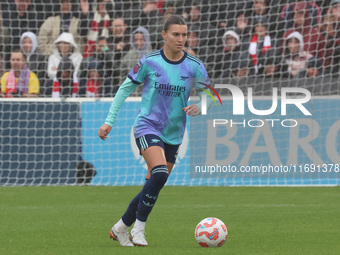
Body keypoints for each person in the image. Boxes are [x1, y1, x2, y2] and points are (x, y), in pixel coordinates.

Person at [97, 15, 212, 247]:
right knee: (159, 173)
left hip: (174, 133)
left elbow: (208, 95)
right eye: (176, 34)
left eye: (184, 34)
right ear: (164, 35)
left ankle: (120, 227)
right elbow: (124, 88)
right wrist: (109, 120)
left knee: (154, 183)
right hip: (147, 126)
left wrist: (202, 106)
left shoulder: (194, 65)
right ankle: (138, 230)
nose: (181, 39)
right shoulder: (149, 61)